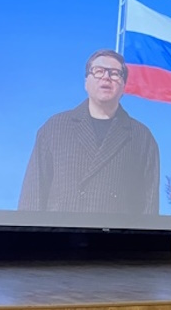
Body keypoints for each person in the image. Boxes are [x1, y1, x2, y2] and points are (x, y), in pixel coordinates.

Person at [18, 49, 160, 214]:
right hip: (62, 229)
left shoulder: (141, 138)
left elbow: (149, 208)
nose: (106, 77)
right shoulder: (54, 128)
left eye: (115, 73)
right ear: (86, 82)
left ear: (123, 86)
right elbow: (32, 197)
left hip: (115, 230)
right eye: (98, 71)